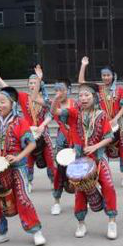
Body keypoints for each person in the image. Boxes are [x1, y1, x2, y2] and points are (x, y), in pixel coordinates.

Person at [0, 66, 46, 246]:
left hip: (17, 167)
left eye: (2, 102)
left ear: (12, 104)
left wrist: (18, 157)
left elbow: (32, 144)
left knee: (22, 198)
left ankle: (36, 231)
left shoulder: (20, 122)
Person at [52, 82, 119, 240]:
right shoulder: (74, 114)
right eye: (80, 95)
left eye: (87, 95)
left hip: (98, 158)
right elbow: (55, 111)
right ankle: (81, 223)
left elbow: (109, 137)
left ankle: (112, 222)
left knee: (108, 186)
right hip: (80, 160)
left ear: (94, 97)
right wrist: (56, 99)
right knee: (80, 193)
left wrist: (95, 146)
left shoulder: (102, 115)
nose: (83, 98)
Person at [0, 65, 55, 193]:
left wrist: (42, 125)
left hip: (43, 133)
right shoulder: (24, 97)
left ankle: (53, 180)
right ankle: (28, 181)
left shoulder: (44, 99)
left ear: (40, 84)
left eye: (35, 83)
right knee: (28, 159)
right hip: (28, 133)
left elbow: (51, 113)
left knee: (50, 158)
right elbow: (8, 90)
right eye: (30, 83)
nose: (32, 85)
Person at [78, 57, 123, 188]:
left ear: (113, 75)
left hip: (117, 125)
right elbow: (81, 82)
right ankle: (99, 178)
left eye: (108, 75)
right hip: (101, 124)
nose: (106, 77)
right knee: (101, 151)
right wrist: (83, 65)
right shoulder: (98, 88)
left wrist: (115, 119)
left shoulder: (119, 90)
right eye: (103, 75)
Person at [50, 79, 76, 215]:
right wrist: (39, 80)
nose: (59, 93)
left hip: (76, 140)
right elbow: (35, 98)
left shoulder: (76, 104)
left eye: (61, 90)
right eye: (56, 90)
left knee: (79, 170)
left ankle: (81, 200)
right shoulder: (54, 104)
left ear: (68, 90)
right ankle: (56, 202)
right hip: (62, 141)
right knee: (59, 172)